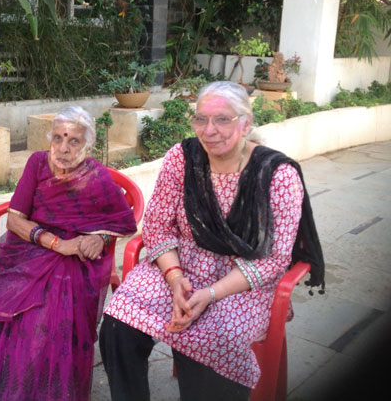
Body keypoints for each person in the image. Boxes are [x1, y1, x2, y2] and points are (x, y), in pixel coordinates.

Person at [99, 81, 325, 401]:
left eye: (223, 119)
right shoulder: (183, 157)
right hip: (182, 264)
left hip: (241, 280)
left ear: (245, 123)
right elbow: (158, 227)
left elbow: (273, 259)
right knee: (118, 322)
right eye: (201, 119)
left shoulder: (276, 175)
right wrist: (176, 279)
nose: (209, 130)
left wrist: (209, 294)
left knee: (211, 338)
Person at [0, 106, 137, 401]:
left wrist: (101, 237)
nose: (63, 148)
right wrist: (58, 244)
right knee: (22, 311)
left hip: (77, 259)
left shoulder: (98, 177)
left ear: (87, 144)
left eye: (74, 140)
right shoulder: (37, 164)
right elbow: (14, 220)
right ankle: (12, 387)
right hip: (28, 250)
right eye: (58, 138)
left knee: (55, 308)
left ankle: (52, 390)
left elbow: (124, 221)